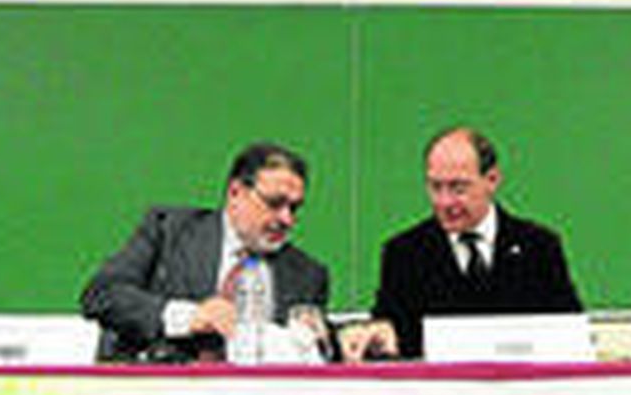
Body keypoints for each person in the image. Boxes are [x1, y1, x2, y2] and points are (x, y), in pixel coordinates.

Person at [344, 126, 582, 361]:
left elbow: (570, 335)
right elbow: (389, 335)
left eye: (458, 188)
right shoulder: (405, 254)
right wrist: (376, 338)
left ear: (492, 180)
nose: (445, 202)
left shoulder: (539, 247)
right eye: (435, 187)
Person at [81, 141, 330, 363]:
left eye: (294, 208)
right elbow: (102, 295)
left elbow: (317, 352)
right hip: (162, 394)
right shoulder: (168, 231)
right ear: (236, 193)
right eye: (274, 203)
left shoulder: (308, 274)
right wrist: (188, 317)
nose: (286, 219)